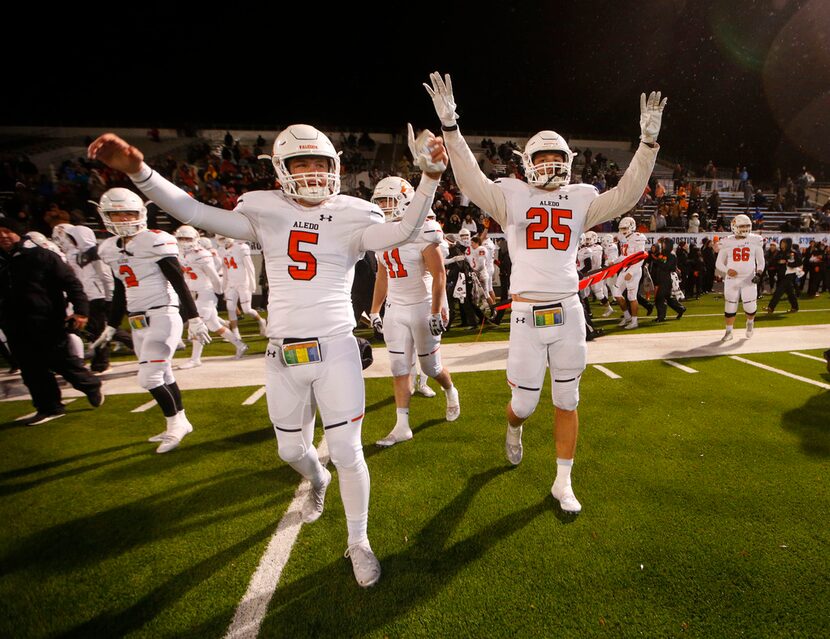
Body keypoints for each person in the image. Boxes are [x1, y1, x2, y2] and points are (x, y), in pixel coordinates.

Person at [88, 124, 448, 588]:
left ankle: (358, 541)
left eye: (320, 163)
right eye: (302, 164)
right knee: (290, 450)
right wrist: (140, 171)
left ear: (335, 167)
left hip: (336, 347)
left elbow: (405, 228)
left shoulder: (354, 214)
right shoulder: (265, 210)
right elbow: (193, 211)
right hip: (282, 354)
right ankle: (315, 480)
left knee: (348, 452)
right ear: (282, 170)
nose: (313, 173)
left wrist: (430, 179)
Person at [424, 72, 665, 513]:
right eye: (544, 157)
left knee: (568, 398)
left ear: (569, 162)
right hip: (525, 313)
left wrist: (647, 145)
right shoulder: (510, 195)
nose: (552, 165)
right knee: (524, 403)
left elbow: (627, 194)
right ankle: (513, 428)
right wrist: (451, 128)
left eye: (558, 158)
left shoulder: (580, 198)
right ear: (527, 161)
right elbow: (473, 179)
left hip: (569, 310)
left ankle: (562, 481)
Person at [90, 188, 211, 452]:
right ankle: (179, 422)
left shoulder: (155, 240)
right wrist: (111, 326)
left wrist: (194, 318)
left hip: (163, 314)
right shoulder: (109, 248)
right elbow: (121, 289)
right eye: (116, 214)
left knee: (149, 378)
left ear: (141, 213)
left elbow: (177, 280)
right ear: (105, 216)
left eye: (128, 213)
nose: (123, 219)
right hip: (136, 321)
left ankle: (176, 424)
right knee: (163, 374)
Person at [368, 176, 460, 448]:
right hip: (395, 309)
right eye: (380, 201)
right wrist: (375, 311)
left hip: (421, 305)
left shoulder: (424, 229)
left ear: (406, 201)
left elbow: (439, 274)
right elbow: (382, 276)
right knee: (398, 369)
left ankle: (450, 389)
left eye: (389, 200)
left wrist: (435, 311)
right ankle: (402, 425)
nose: (384, 206)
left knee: (431, 368)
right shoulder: (380, 233)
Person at [0, 216, 103, 424]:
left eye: (7, 231)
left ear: (17, 232)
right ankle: (50, 407)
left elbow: (72, 284)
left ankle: (90, 385)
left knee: (63, 362)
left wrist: (81, 311)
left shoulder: (41, 256)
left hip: (47, 321)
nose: (3, 236)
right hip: (13, 325)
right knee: (31, 370)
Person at [174, 225, 248, 368]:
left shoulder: (201, 254)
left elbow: (213, 276)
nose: (184, 241)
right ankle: (240, 345)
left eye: (187, 238)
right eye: (181, 238)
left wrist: (218, 292)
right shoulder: (179, 253)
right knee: (214, 325)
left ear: (195, 239)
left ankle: (195, 359)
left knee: (197, 325)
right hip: (193, 294)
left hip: (205, 293)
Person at [51, 222, 120, 372]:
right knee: (96, 329)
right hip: (89, 295)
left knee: (98, 329)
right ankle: (112, 352)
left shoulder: (95, 252)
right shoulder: (83, 253)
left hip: (98, 296)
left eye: (73, 237)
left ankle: (101, 362)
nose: (70, 240)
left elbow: (106, 276)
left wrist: (109, 299)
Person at [715, 214, 764, 340]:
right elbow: (718, 263)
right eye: (742, 226)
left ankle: (750, 323)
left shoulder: (756, 240)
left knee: (750, 306)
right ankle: (729, 332)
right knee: (730, 304)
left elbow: (761, 260)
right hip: (732, 279)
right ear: (734, 226)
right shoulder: (727, 241)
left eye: (747, 226)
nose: (745, 229)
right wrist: (727, 270)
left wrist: (759, 273)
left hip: (749, 278)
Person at [216, 234, 267, 338]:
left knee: (247, 309)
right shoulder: (221, 250)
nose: (223, 241)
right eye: (221, 238)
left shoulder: (241, 247)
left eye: (224, 238)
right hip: (231, 283)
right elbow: (225, 269)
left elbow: (250, 267)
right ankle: (235, 333)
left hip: (243, 282)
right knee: (230, 307)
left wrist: (252, 284)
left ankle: (261, 321)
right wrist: (225, 285)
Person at [614, 216, 648, 329]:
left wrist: (632, 272)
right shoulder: (625, 238)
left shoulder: (638, 237)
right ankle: (627, 316)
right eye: (621, 228)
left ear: (631, 226)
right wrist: (614, 262)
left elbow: (641, 257)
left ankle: (634, 321)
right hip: (624, 269)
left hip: (634, 270)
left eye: (624, 228)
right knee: (616, 294)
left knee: (631, 297)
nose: (622, 231)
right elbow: (624, 256)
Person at [651, 238, 686, 322]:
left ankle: (661, 316)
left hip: (666, 278)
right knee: (668, 297)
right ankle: (680, 309)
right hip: (660, 277)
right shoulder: (663, 253)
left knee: (659, 298)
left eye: (664, 243)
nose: (662, 245)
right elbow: (659, 263)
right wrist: (658, 261)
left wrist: (658, 261)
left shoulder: (672, 255)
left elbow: (668, 267)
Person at [765, 237, 800, 313]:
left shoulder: (793, 252)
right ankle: (795, 307)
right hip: (780, 275)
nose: (782, 244)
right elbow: (773, 262)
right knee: (790, 292)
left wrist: (787, 263)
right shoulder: (779, 252)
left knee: (778, 291)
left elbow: (799, 263)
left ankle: (771, 307)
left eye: (784, 243)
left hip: (789, 275)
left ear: (788, 244)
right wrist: (778, 262)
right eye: (781, 243)